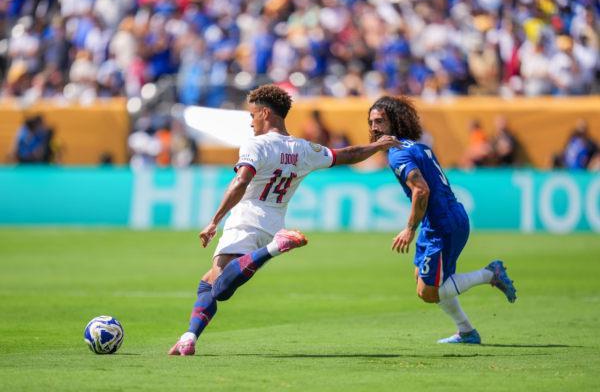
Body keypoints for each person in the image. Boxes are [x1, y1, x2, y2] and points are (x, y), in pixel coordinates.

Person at [169, 85, 399, 356]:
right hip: (272, 222)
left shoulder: (256, 144)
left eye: (253, 114)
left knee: (220, 289)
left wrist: (214, 221)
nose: (251, 121)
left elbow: (241, 181)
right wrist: (376, 146)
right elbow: (346, 155)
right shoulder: (303, 148)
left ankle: (275, 248)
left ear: (265, 113)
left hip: (246, 218)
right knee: (208, 282)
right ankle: (189, 338)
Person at [367, 96, 517, 344]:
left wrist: (409, 229)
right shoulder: (416, 146)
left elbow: (421, 190)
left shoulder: (397, 154)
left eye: (380, 121)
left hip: (443, 224)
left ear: (394, 122)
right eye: (371, 122)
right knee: (422, 277)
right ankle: (466, 331)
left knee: (428, 292)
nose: (374, 127)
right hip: (439, 220)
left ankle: (490, 274)